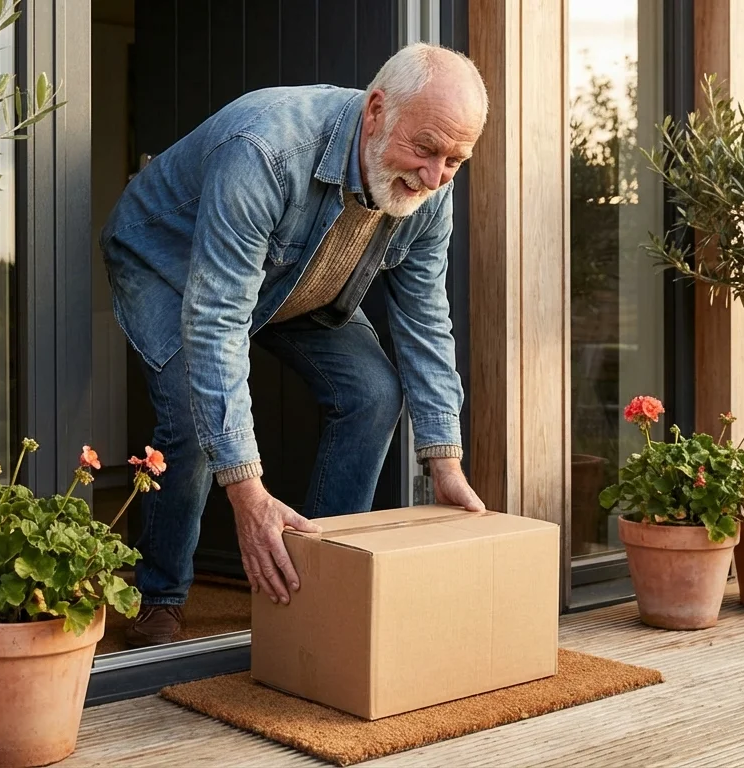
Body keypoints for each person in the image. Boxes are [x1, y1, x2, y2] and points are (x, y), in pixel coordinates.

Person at [101, 42, 489, 647]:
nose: (434, 176)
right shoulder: (266, 150)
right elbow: (217, 319)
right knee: (189, 407)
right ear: (377, 110)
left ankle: (320, 579)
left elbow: (425, 319)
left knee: (372, 392)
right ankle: (160, 596)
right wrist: (249, 492)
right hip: (168, 264)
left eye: (455, 161)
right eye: (426, 148)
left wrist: (446, 460)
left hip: (291, 277)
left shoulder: (430, 193)